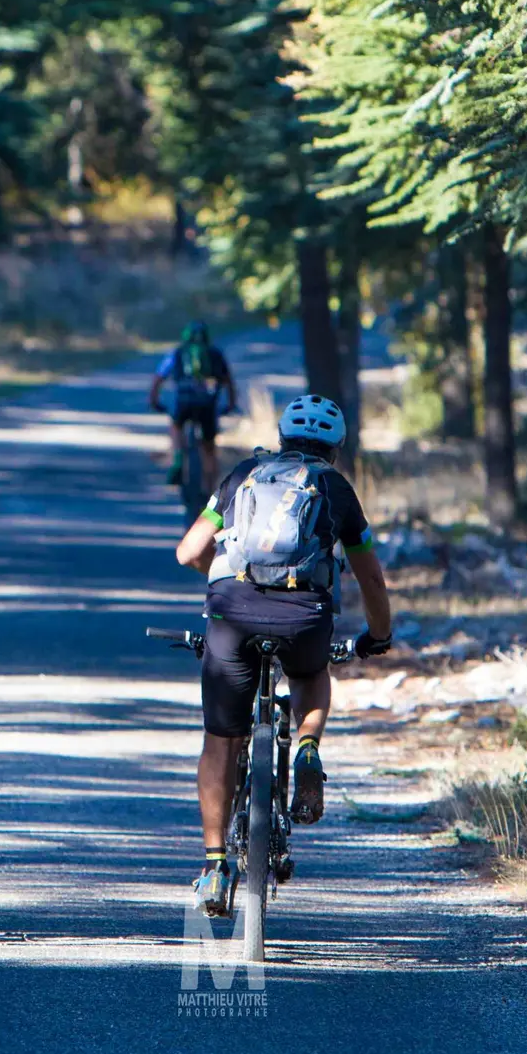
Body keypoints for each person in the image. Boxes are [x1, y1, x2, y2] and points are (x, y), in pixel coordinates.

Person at [174, 394, 393, 914]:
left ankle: (213, 866)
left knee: (220, 740)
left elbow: (188, 551)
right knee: (312, 673)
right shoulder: (336, 488)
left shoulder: (244, 474)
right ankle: (308, 745)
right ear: (336, 447)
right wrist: (376, 636)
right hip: (303, 616)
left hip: (233, 609)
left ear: (281, 435)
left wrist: (223, 583)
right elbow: (370, 576)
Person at [148, 320, 235, 490]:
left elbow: (158, 379)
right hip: (208, 405)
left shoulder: (177, 354)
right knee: (209, 450)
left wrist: (154, 401)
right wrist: (230, 404)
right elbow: (229, 382)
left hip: (184, 403)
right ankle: (211, 491)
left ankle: (178, 458)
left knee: (176, 426)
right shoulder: (215, 354)